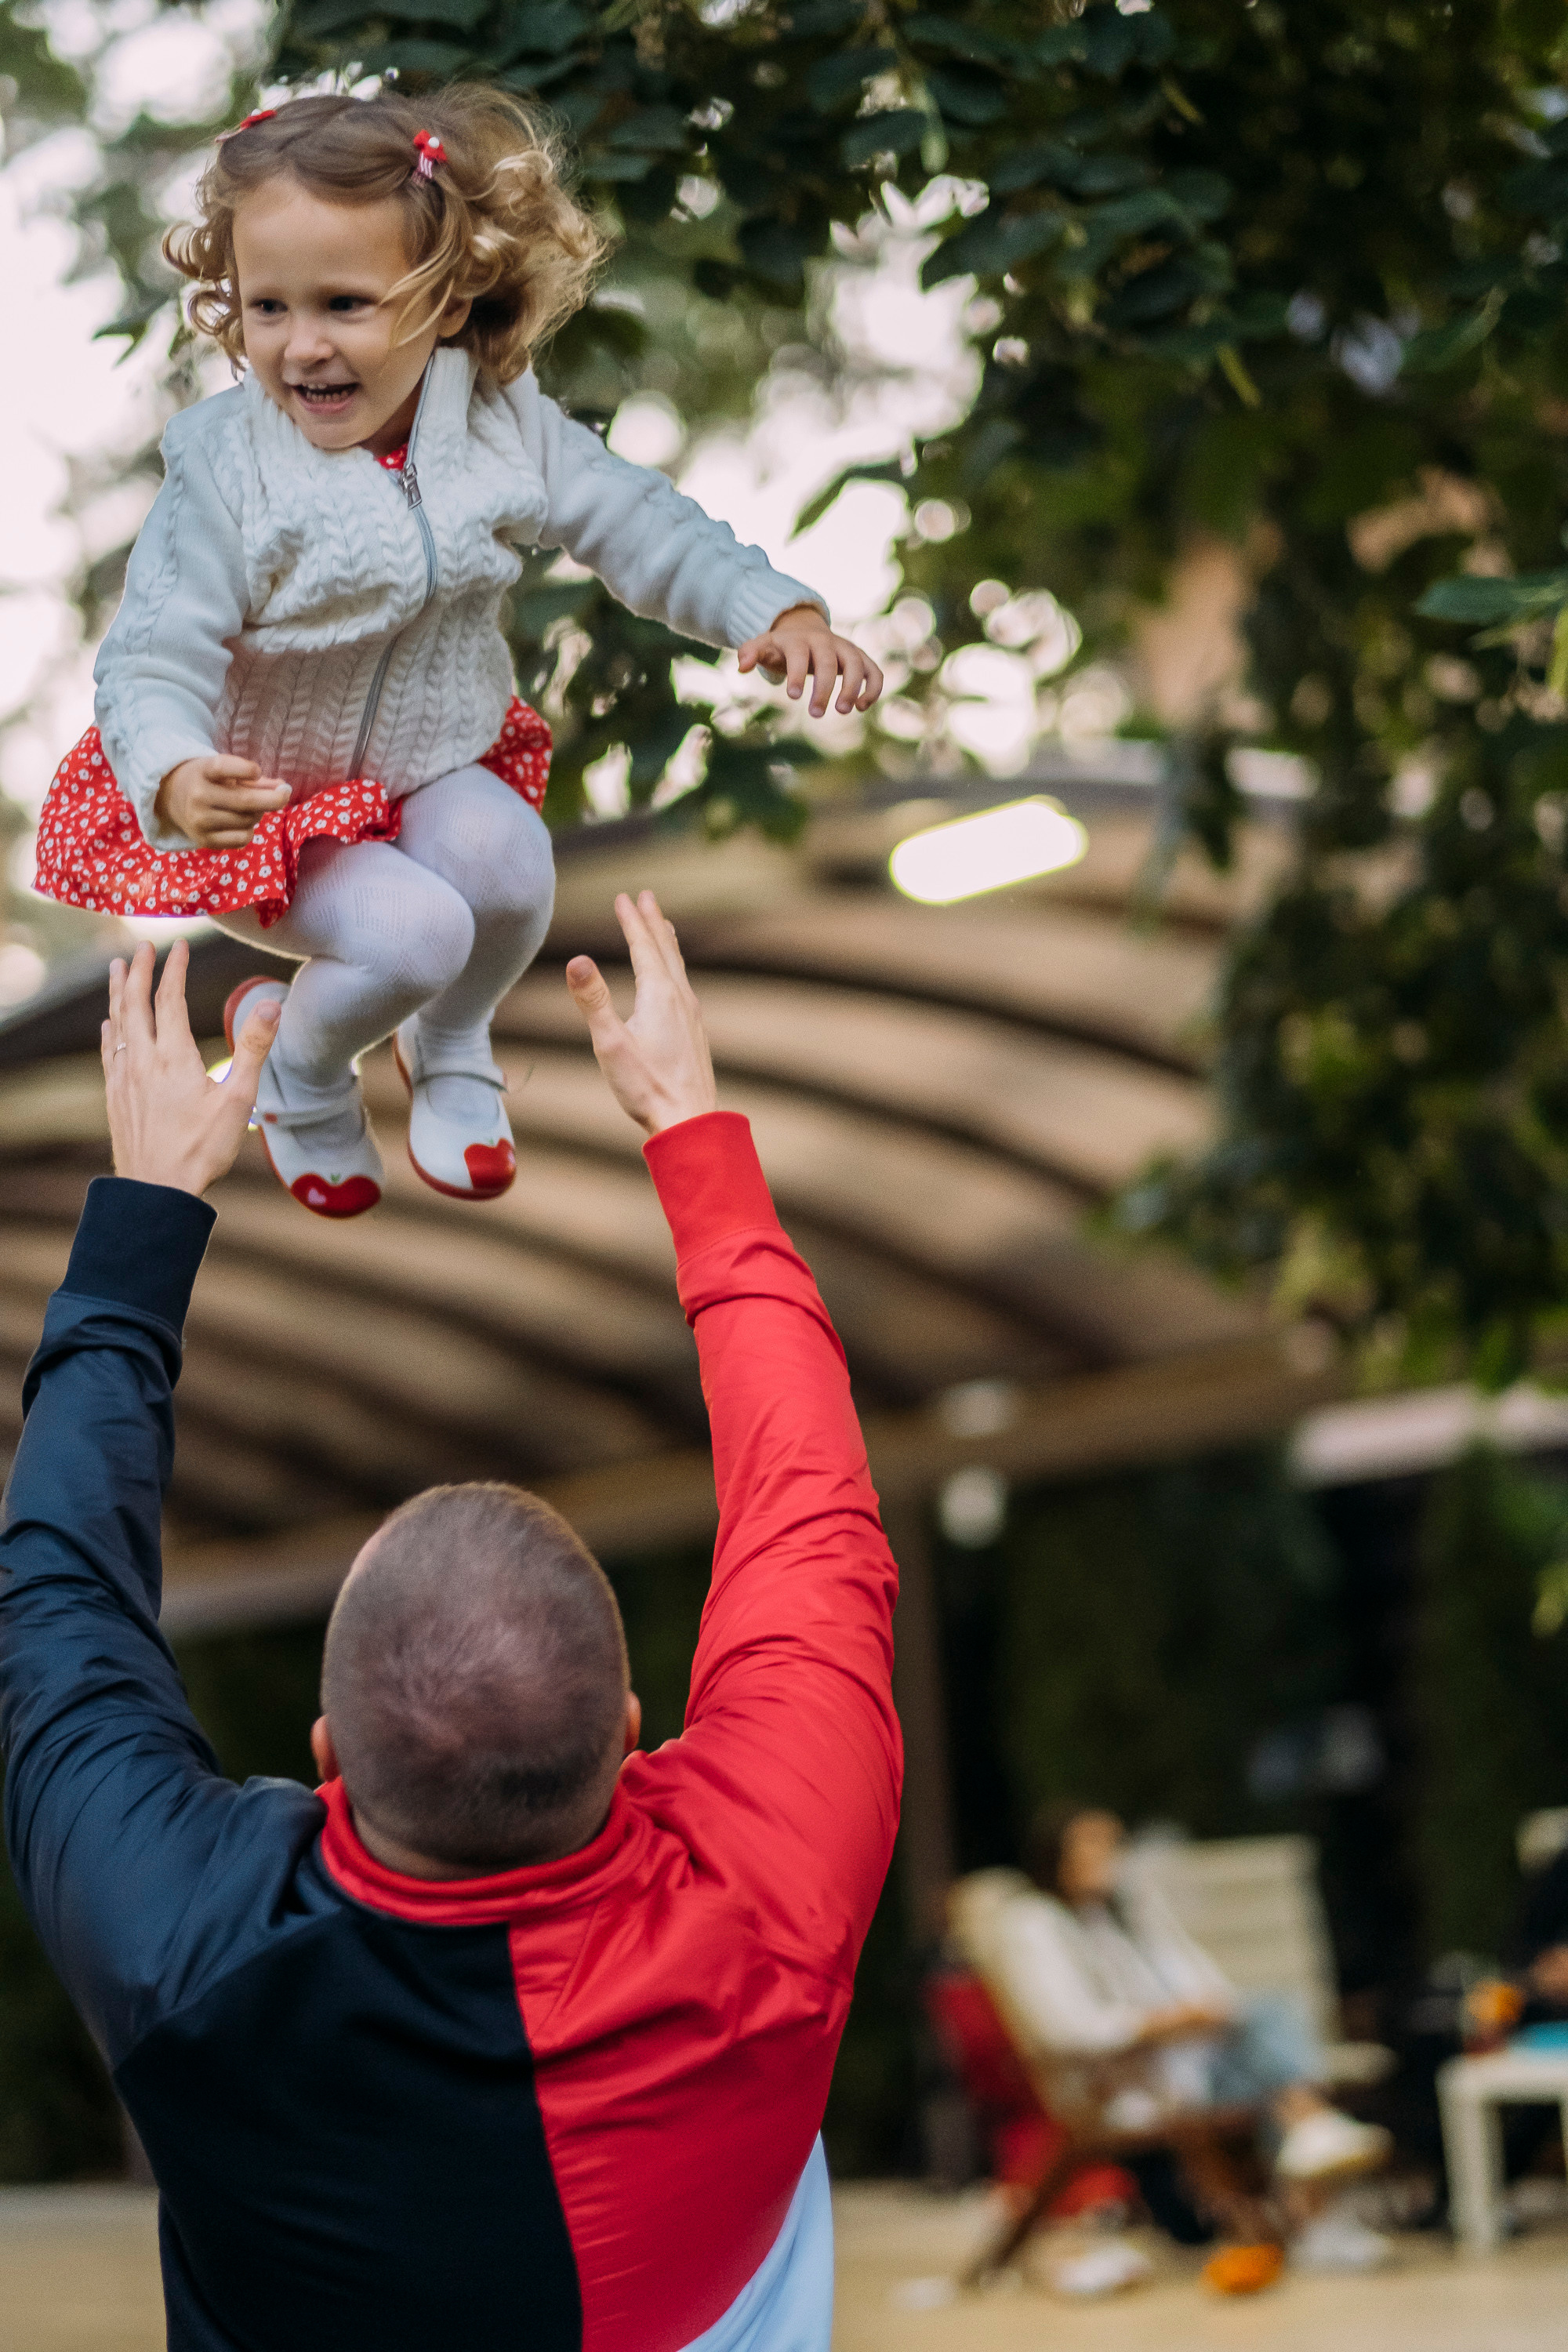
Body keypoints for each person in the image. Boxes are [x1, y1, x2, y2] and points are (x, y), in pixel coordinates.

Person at [0, 898, 902, 2352]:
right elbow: (814, 1526)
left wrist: (150, 1206)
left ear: (323, 1758)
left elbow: (59, 1615)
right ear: (627, 1742)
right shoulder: (772, 1895)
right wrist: (695, 1143)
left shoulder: (186, 1953)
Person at [33, 88, 883, 1217]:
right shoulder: (229, 476)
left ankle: (451, 1045)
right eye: (267, 307)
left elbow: (635, 519)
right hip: (266, 814)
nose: (303, 345)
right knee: (417, 928)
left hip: (430, 765)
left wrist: (771, 612)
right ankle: (298, 1069)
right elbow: (150, 657)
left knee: (510, 866)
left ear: (444, 301)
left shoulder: (497, 420)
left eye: (344, 303)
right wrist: (177, 771)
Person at [989, 1803, 1394, 2269]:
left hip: (1185, 2064)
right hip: (1118, 2082)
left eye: (1113, 1843)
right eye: (1093, 1844)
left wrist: (1203, 2012)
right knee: (1275, 2051)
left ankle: (1313, 2173)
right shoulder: (1034, 1923)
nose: (1109, 1856)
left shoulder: (1119, 1918)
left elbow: (1201, 1983)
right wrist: (1168, 2022)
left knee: (1272, 2041)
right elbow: (1066, 2028)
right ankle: (1317, 2191)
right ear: (1054, 1854)